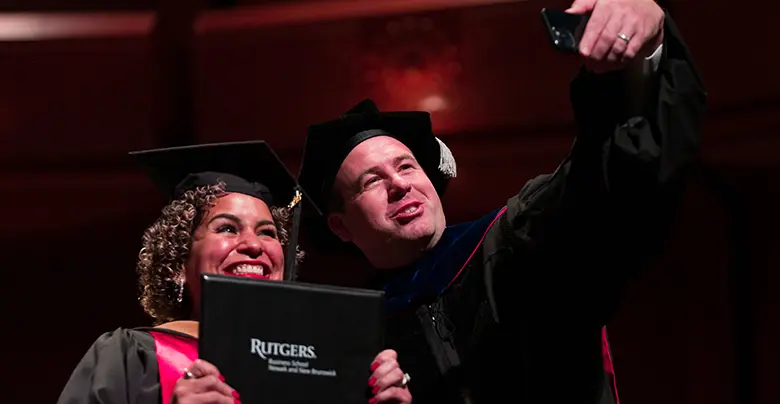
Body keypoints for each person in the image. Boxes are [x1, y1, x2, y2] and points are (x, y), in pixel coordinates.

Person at [296, 0, 707, 402]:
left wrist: (648, 41)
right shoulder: (349, 347)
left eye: (406, 167)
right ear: (340, 225)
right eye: (371, 181)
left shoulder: (517, 239)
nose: (399, 185)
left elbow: (611, 176)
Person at [57, 141, 412, 404]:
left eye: (268, 232)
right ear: (178, 263)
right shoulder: (132, 357)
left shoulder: (330, 363)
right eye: (227, 228)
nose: (253, 245)